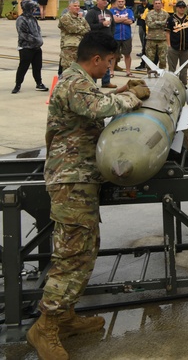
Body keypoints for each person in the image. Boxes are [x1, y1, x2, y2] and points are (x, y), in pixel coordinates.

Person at [27, 32, 148, 358]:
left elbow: (95, 103)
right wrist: (131, 98)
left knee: (84, 250)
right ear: (97, 59)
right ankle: (45, 327)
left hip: (81, 180)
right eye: (110, 63)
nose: (109, 68)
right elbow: (98, 107)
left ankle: (65, 316)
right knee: (71, 257)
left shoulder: (79, 80)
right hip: (71, 181)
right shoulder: (74, 82)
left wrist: (122, 91)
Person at [14, 0, 48, 94]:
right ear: (28, 8)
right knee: (23, 67)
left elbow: (38, 30)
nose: (34, 10)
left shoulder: (33, 18)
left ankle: (39, 83)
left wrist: (39, 40)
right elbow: (23, 34)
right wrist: (36, 40)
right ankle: (18, 84)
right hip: (26, 48)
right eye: (33, 8)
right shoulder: (21, 20)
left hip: (36, 47)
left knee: (37, 66)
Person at [58, 0, 91, 77]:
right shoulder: (65, 17)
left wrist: (79, 28)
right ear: (69, 7)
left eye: (78, 6)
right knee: (68, 70)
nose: (77, 7)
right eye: (75, 6)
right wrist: (82, 28)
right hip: (69, 48)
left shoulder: (81, 19)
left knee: (80, 69)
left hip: (81, 47)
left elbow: (88, 30)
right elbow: (72, 29)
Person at [165, 1, 188, 84]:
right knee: (172, 68)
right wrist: (169, 45)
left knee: (184, 69)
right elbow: (167, 32)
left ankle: (183, 85)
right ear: (177, 8)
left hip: (186, 48)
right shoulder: (171, 18)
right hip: (174, 47)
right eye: (180, 7)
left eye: (183, 7)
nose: (181, 9)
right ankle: (171, 84)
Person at [143, 0, 170, 72]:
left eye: (159, 3)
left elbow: (167, 24)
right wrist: (161, 23)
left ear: (161, 4)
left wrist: (156, 22)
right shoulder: (149, 14)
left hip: (163, 39)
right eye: (156, 3)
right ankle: (149, 72)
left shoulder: (166, 14)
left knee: (163, 58)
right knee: (150, 58)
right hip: (151, 39)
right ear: (153, 5)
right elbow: (150, 24)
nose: (158, 5)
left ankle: (161, 73)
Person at [111, 0, 135, 77]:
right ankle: (111, 71)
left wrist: (118, 19)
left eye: (122, 1)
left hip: (126, 36)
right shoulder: (112, 11)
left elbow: (130, 21)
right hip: (115, 36)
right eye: (119, 1)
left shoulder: (129, 11)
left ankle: (128, 71)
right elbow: (113, 20)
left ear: (124, 2)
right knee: (113, 55)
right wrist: (124, 19)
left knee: (127, 54)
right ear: (116, 2)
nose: (120, 3)